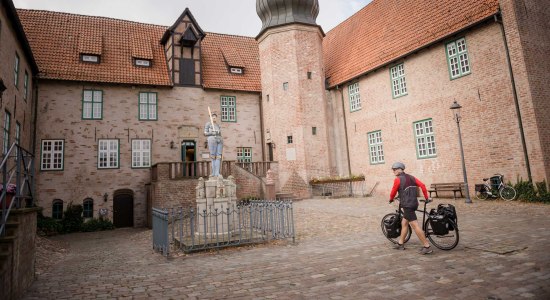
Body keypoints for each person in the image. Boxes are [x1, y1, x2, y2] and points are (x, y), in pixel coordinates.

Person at [388, 162, 433, 254]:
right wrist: (426, 198)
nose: (393, 171)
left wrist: (391, 199)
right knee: (404, 223)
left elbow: (393, 192)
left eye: (394, 169)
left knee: (415, 226)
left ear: (400, 169)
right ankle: (401, 244)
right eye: (393, 170)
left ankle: (427, 246)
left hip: (407, 205)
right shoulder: (412, 177)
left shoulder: (398, 179)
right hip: (413, 204)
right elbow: (423, 185)